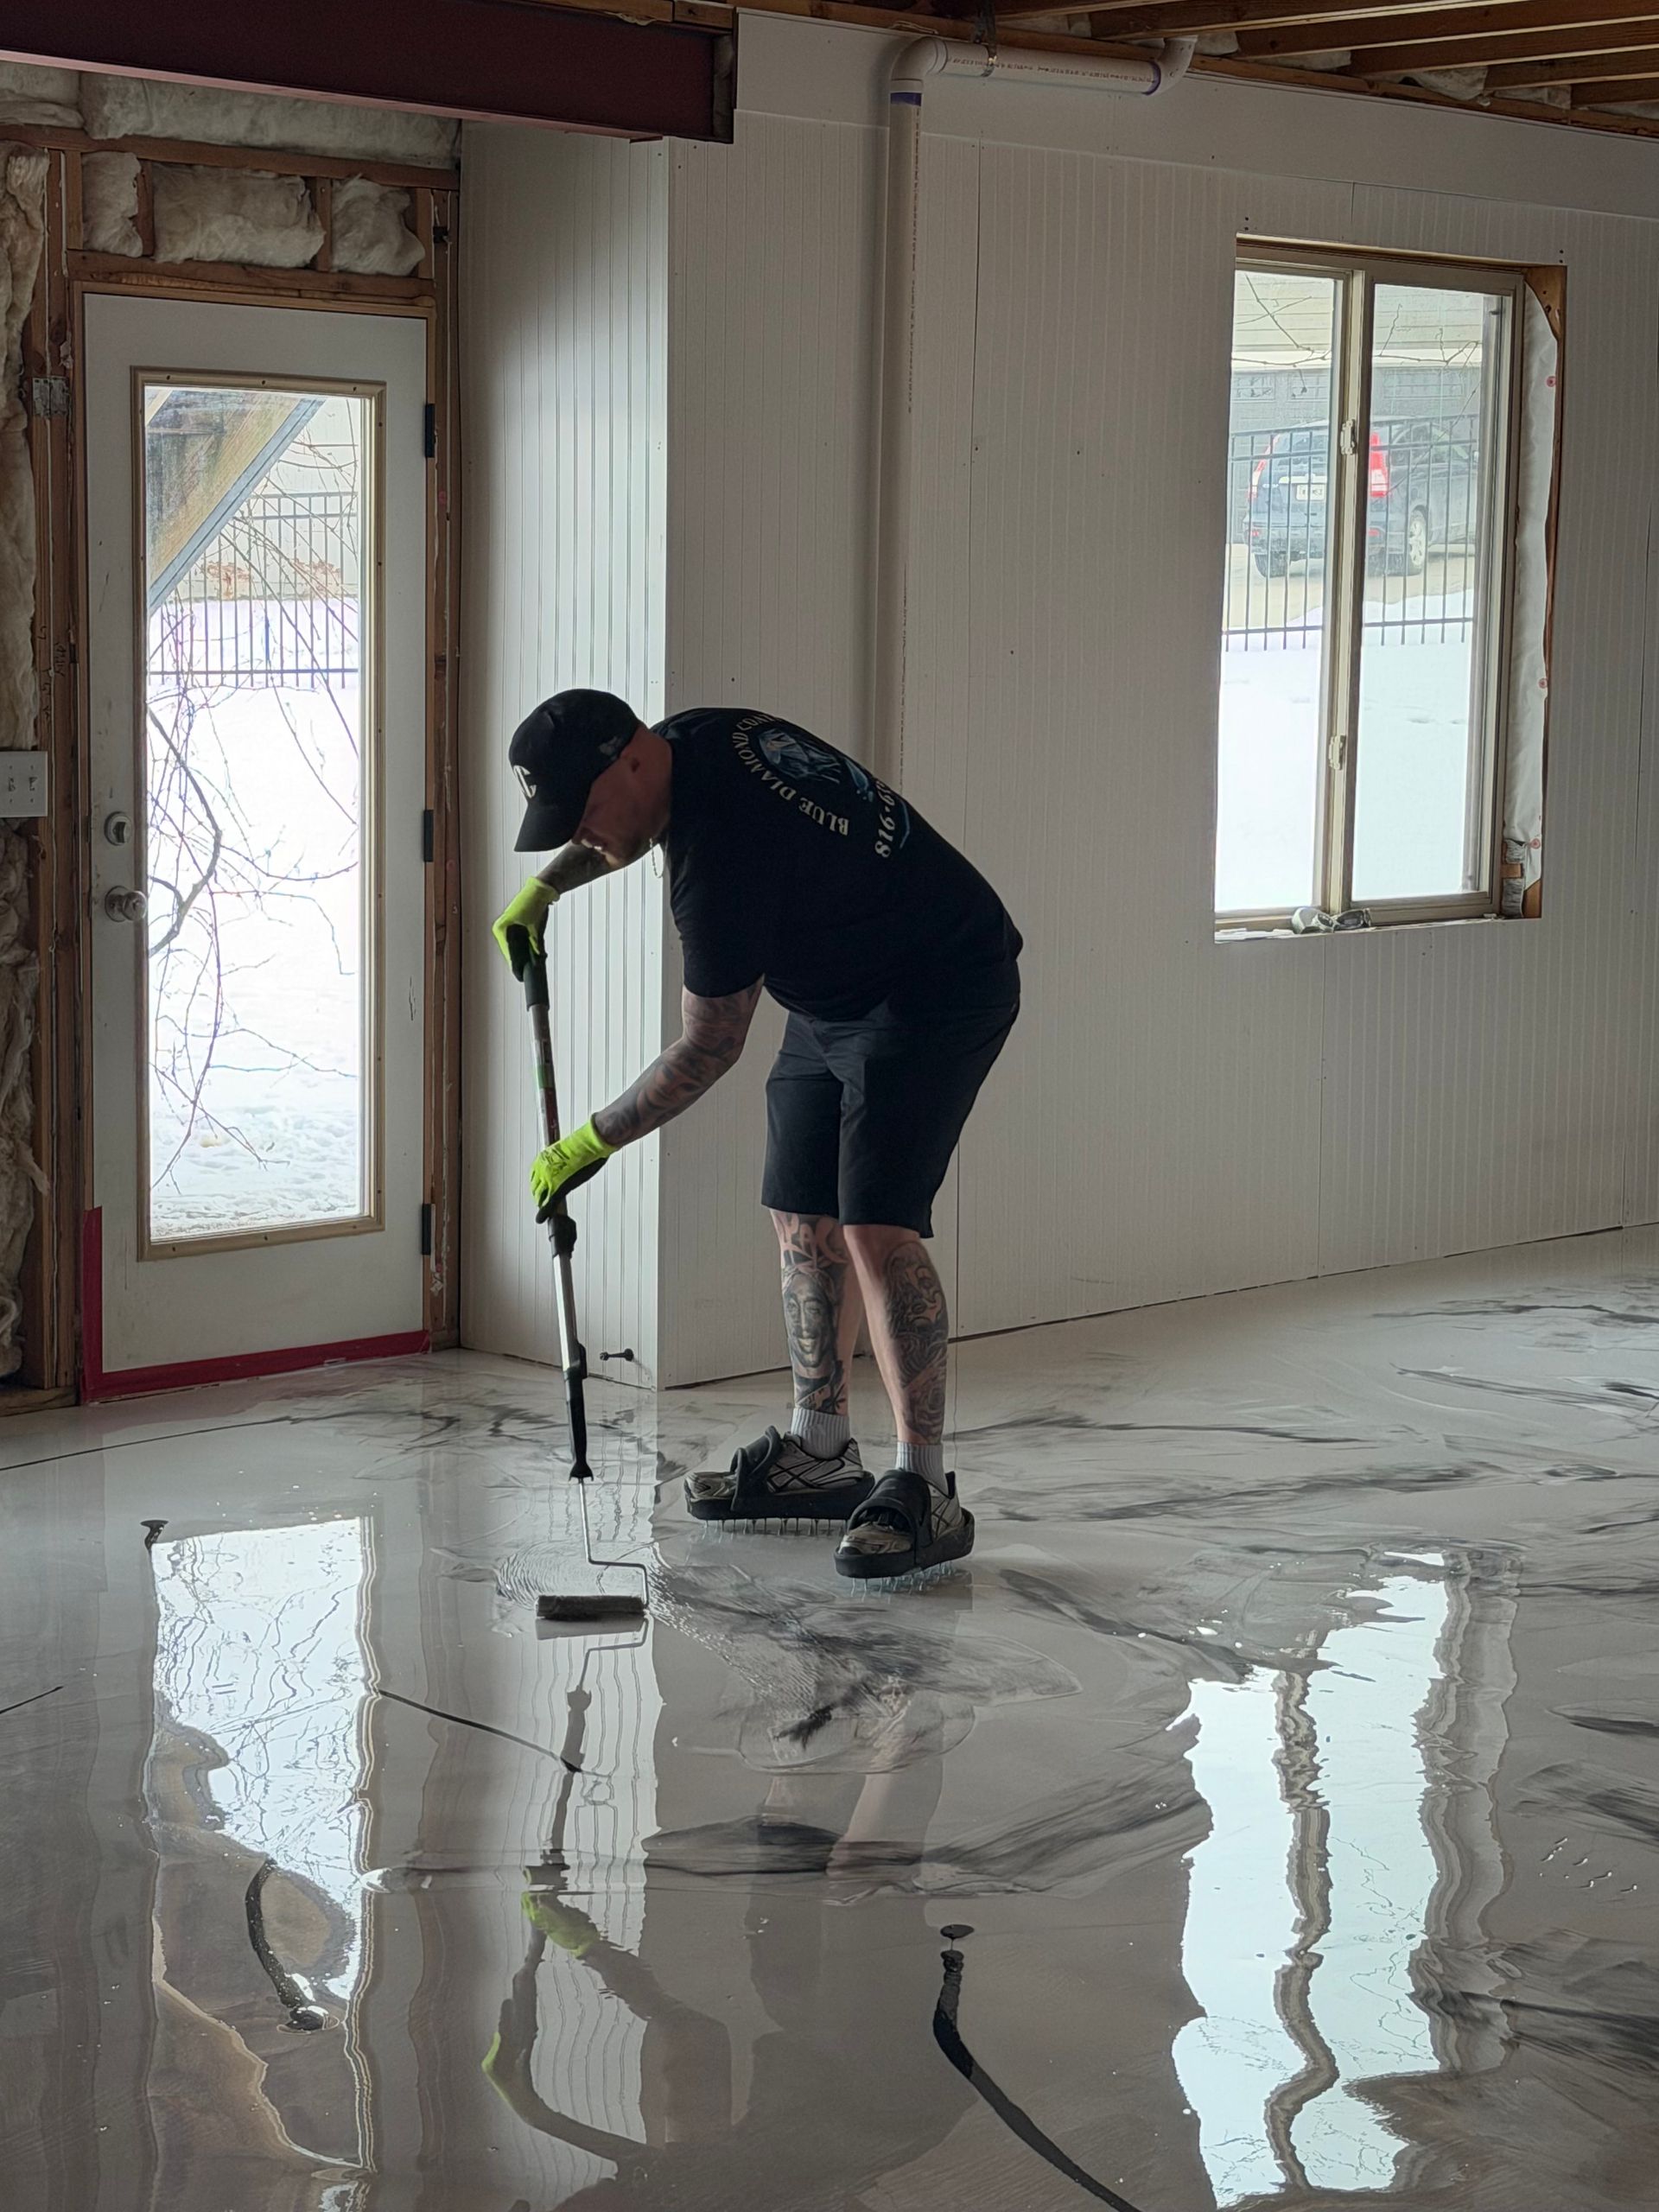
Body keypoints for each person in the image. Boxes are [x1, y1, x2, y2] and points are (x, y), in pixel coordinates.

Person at [492, 690, 1020, 1583]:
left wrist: (591, 1142)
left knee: (873, 1224)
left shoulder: (719, 854)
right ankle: (819, 1453)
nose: (582, 834)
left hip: (940, 980)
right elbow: (627, 832)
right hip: (838, 990)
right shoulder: (690, 740)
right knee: (799, 1211)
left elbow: (710, 1047)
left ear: (628, 761)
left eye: (579, 814)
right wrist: (548, 885)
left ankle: (925, 1487)